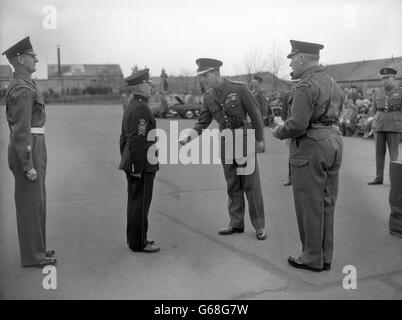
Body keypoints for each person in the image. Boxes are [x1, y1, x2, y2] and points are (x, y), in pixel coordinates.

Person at [272, 40, 343, 272]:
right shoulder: (333, 83)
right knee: (326, 202)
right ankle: (325, 255)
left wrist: (278, 131)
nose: (291, 63)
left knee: (308, 203)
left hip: (311, 146)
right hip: (333, 140)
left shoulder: (305, 85)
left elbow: (297, 125)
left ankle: (312, 257)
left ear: (302, 58)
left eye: (292, 58)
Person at [179, 58, 267, 240]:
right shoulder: (209, 97)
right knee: (232, 184)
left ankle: (259, 225)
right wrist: (190, 136)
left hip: (244, 139)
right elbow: (202, 121)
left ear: (217, 73)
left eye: (205, 75)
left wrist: (259, 139)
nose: (202, 79)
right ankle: (235, 224)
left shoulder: (239, 89)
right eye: (200, 76)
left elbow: (255, 114)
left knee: (251, 185)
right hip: (226, 143)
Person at [2, 36, 57, 267]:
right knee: (29, 204)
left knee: (38, 202)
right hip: (29, 147)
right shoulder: (23, 90)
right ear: (19, 59)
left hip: (36, 144)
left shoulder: (28, 85)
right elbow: (21, 131)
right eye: (31, 56)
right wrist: (27, 163)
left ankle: (39, 248)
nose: (35, 58)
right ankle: (32, 256)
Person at [119, 68, 160, 253]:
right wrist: (135, 165)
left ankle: (134, 240)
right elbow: (137, 138)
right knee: (140, 204)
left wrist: (127, 160)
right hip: (141, 164)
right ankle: (139, 243)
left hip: (134, 162)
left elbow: (123, 139)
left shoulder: (131, 105)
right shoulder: (141, 108)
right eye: (148, 84)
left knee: (135, 203)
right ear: (142, 87)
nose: (150, 87)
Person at [367, 67, 402, 185]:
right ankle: (378, 177)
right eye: (383, 78)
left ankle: (394, 180)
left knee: (394, 154)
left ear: (394, 78)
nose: (385, 80)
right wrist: (374, 123)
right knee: (379, 153)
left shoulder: (400, 91)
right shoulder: (378, 92)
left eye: (387, 78)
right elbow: (374, 110)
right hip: (379, 124)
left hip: (394, 125)